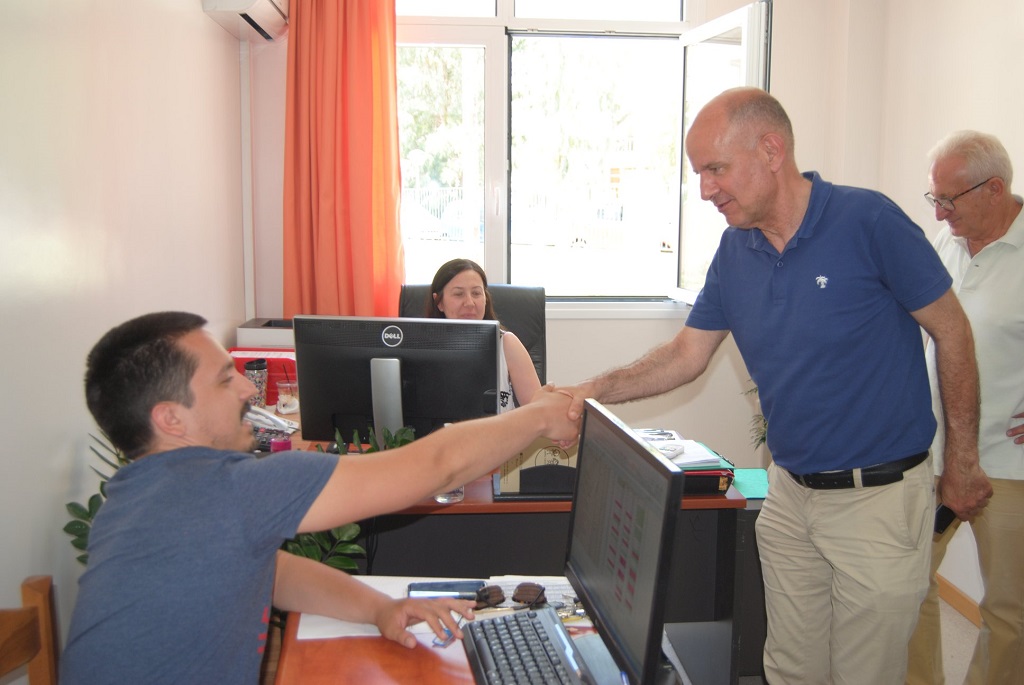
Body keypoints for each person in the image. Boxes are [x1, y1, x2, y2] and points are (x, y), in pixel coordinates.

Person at [557, 87, 991, 684]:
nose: (705, 189)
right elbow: (686, 354)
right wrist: (593, 390)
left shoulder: (869, 221)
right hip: (789, 496)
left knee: (863, 674)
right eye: (699, 173)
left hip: (877, 500)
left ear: (770, 150)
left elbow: (953, 331)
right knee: (789, 669)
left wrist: (962, 460)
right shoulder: (735, 250)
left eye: (715, 169)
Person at [61, 311, 577, 684]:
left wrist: (380, 609)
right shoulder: (233, 490)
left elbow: (274, 572)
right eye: (224, 380)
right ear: (171, 419)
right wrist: (537, 417)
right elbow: (436, 466)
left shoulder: (133, 498)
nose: (247, 389)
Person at [906, 131, 1024, 685]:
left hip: (1010, 464)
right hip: (935, 453)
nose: (940, 212)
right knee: (908, 586)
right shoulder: (946, 241)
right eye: (936, 198)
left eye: (950, 199)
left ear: (995, 189)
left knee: (1009, 611)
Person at [425, 258, 542, 411]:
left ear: (485, 298)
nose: (469, 302)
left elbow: (538, 411)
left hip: (501, 427)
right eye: (458, 294)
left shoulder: (506, 344)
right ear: (439, 302)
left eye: (476, 293)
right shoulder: (422, 347)